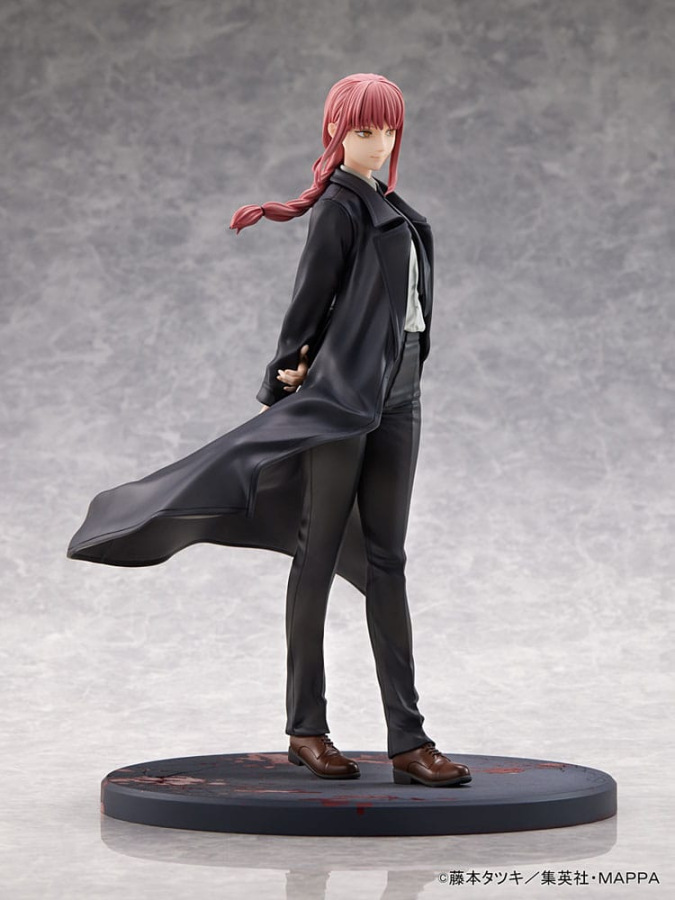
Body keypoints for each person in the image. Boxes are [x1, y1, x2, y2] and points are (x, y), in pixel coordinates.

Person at [68, 73, 471, 789]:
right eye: (363, 130)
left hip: (401, 393)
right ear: (336, 132)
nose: (377, 142)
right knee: (317, 554)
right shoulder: (340, 207)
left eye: (387, 129)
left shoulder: (388, 205)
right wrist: (278, 383)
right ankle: (306, 728)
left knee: (387, 560)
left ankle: (409, 741)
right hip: (343, 398)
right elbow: (308, 303)